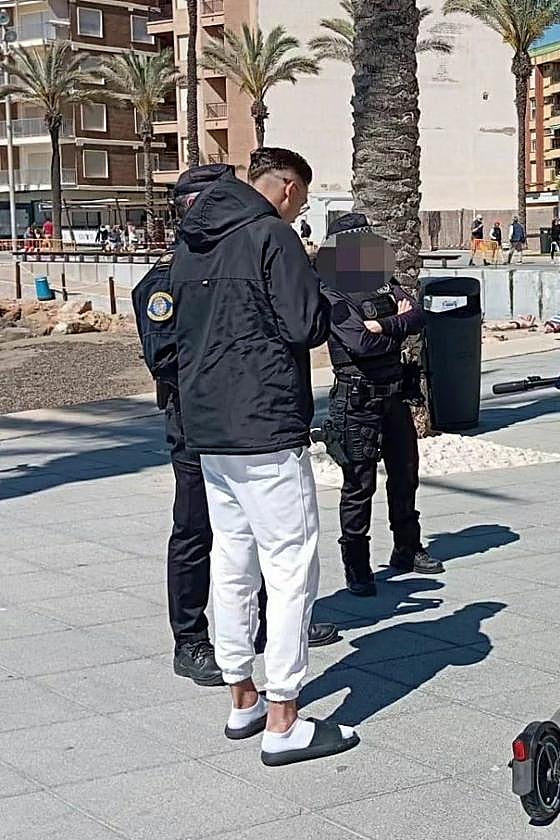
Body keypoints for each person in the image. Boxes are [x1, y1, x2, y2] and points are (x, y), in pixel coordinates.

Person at [172, 147, 359, 765]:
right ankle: (284, 718)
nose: (299, 211)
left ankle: (242, 698)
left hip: (208, 428)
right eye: (300, 199)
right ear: (282, 188)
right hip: (266, 425)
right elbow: (305, 326)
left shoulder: (192, 240)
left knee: (232, 559)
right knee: (289, 565)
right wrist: (324, 285)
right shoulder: (271, 237)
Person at [132, 165, 338, 688]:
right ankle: (202, 647)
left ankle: (247, 667)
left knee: (239, 550)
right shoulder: (236, 247)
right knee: (212, 537)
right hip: (216, 421)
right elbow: (167, 354)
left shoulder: (216, 249)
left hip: (217, 418)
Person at [316, 213, 441, 599]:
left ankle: (407, 547)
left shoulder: (383, 281)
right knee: (359, 485)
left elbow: (419, 315)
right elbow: (359, 345)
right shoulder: (331, 290)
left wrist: (384, 327)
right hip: (357, 399)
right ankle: (358, 566)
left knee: (405, 475)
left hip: (393, 394)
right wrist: (395, 329)